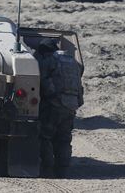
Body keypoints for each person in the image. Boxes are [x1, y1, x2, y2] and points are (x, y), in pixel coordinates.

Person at [35, 38, 84, 178]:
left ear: (45, 51)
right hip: (71, 106)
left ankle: (47, 169)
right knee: (63, 139)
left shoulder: (49, 60)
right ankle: (62, 170)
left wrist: (50, 97)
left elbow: (43, 80)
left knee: (45, 137)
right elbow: (79, 87)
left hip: (54, 105)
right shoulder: (73, 62)